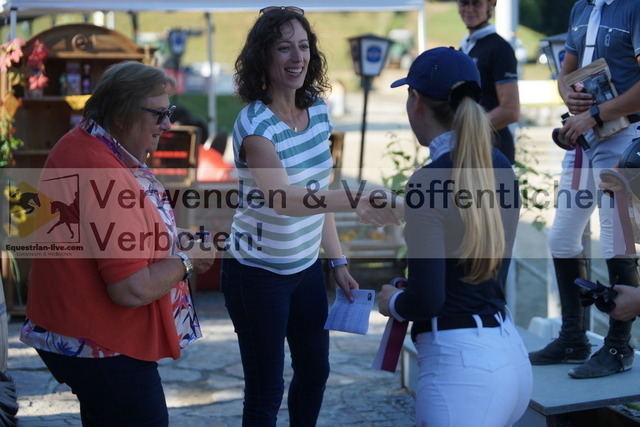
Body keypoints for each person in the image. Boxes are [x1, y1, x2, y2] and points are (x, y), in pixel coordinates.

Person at [221, 6, 401, 426]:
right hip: (256, 275)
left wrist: (337, 261)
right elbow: (285, 200)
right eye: (284, 48)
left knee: (315, 372)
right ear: (263, 56)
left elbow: (318, 196)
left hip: (304, 271)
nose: (297, 57)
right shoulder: (255, 125)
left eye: (303, 46)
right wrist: (357, 198)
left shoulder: (318, 110)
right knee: (265, 390)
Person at [19, 61, 216, 426]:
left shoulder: (86, 142)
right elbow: (130, 288)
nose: (168, 125)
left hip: (82, 333)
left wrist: (168, 242)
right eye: (158, 114)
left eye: (169, 112)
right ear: (122, 114)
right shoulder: (102, 170)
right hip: (103, 344)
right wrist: (188, 260)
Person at [377, 47, 532, 427]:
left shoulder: (427, 182)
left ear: (415, 100)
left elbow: (427, 299)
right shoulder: (501, 165)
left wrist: (392, 300)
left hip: (460, 368)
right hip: (508, 353)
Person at [528, 0, 640, 379]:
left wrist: (594, 114)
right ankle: (573, 338)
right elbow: (565, 75)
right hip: (584, 137)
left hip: (625, 138)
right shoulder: (580, 7)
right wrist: (569, 96)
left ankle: (619, 347)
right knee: (561, 238)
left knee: (615, 241)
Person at [458, 0, 520, 164]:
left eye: (476, 3)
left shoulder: (500, 48)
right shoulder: (464, 47)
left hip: (493, 150)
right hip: (469, 150)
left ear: (490, 4)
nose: (469, 9)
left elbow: (510, 110)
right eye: (464, 3)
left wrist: (464, 132)